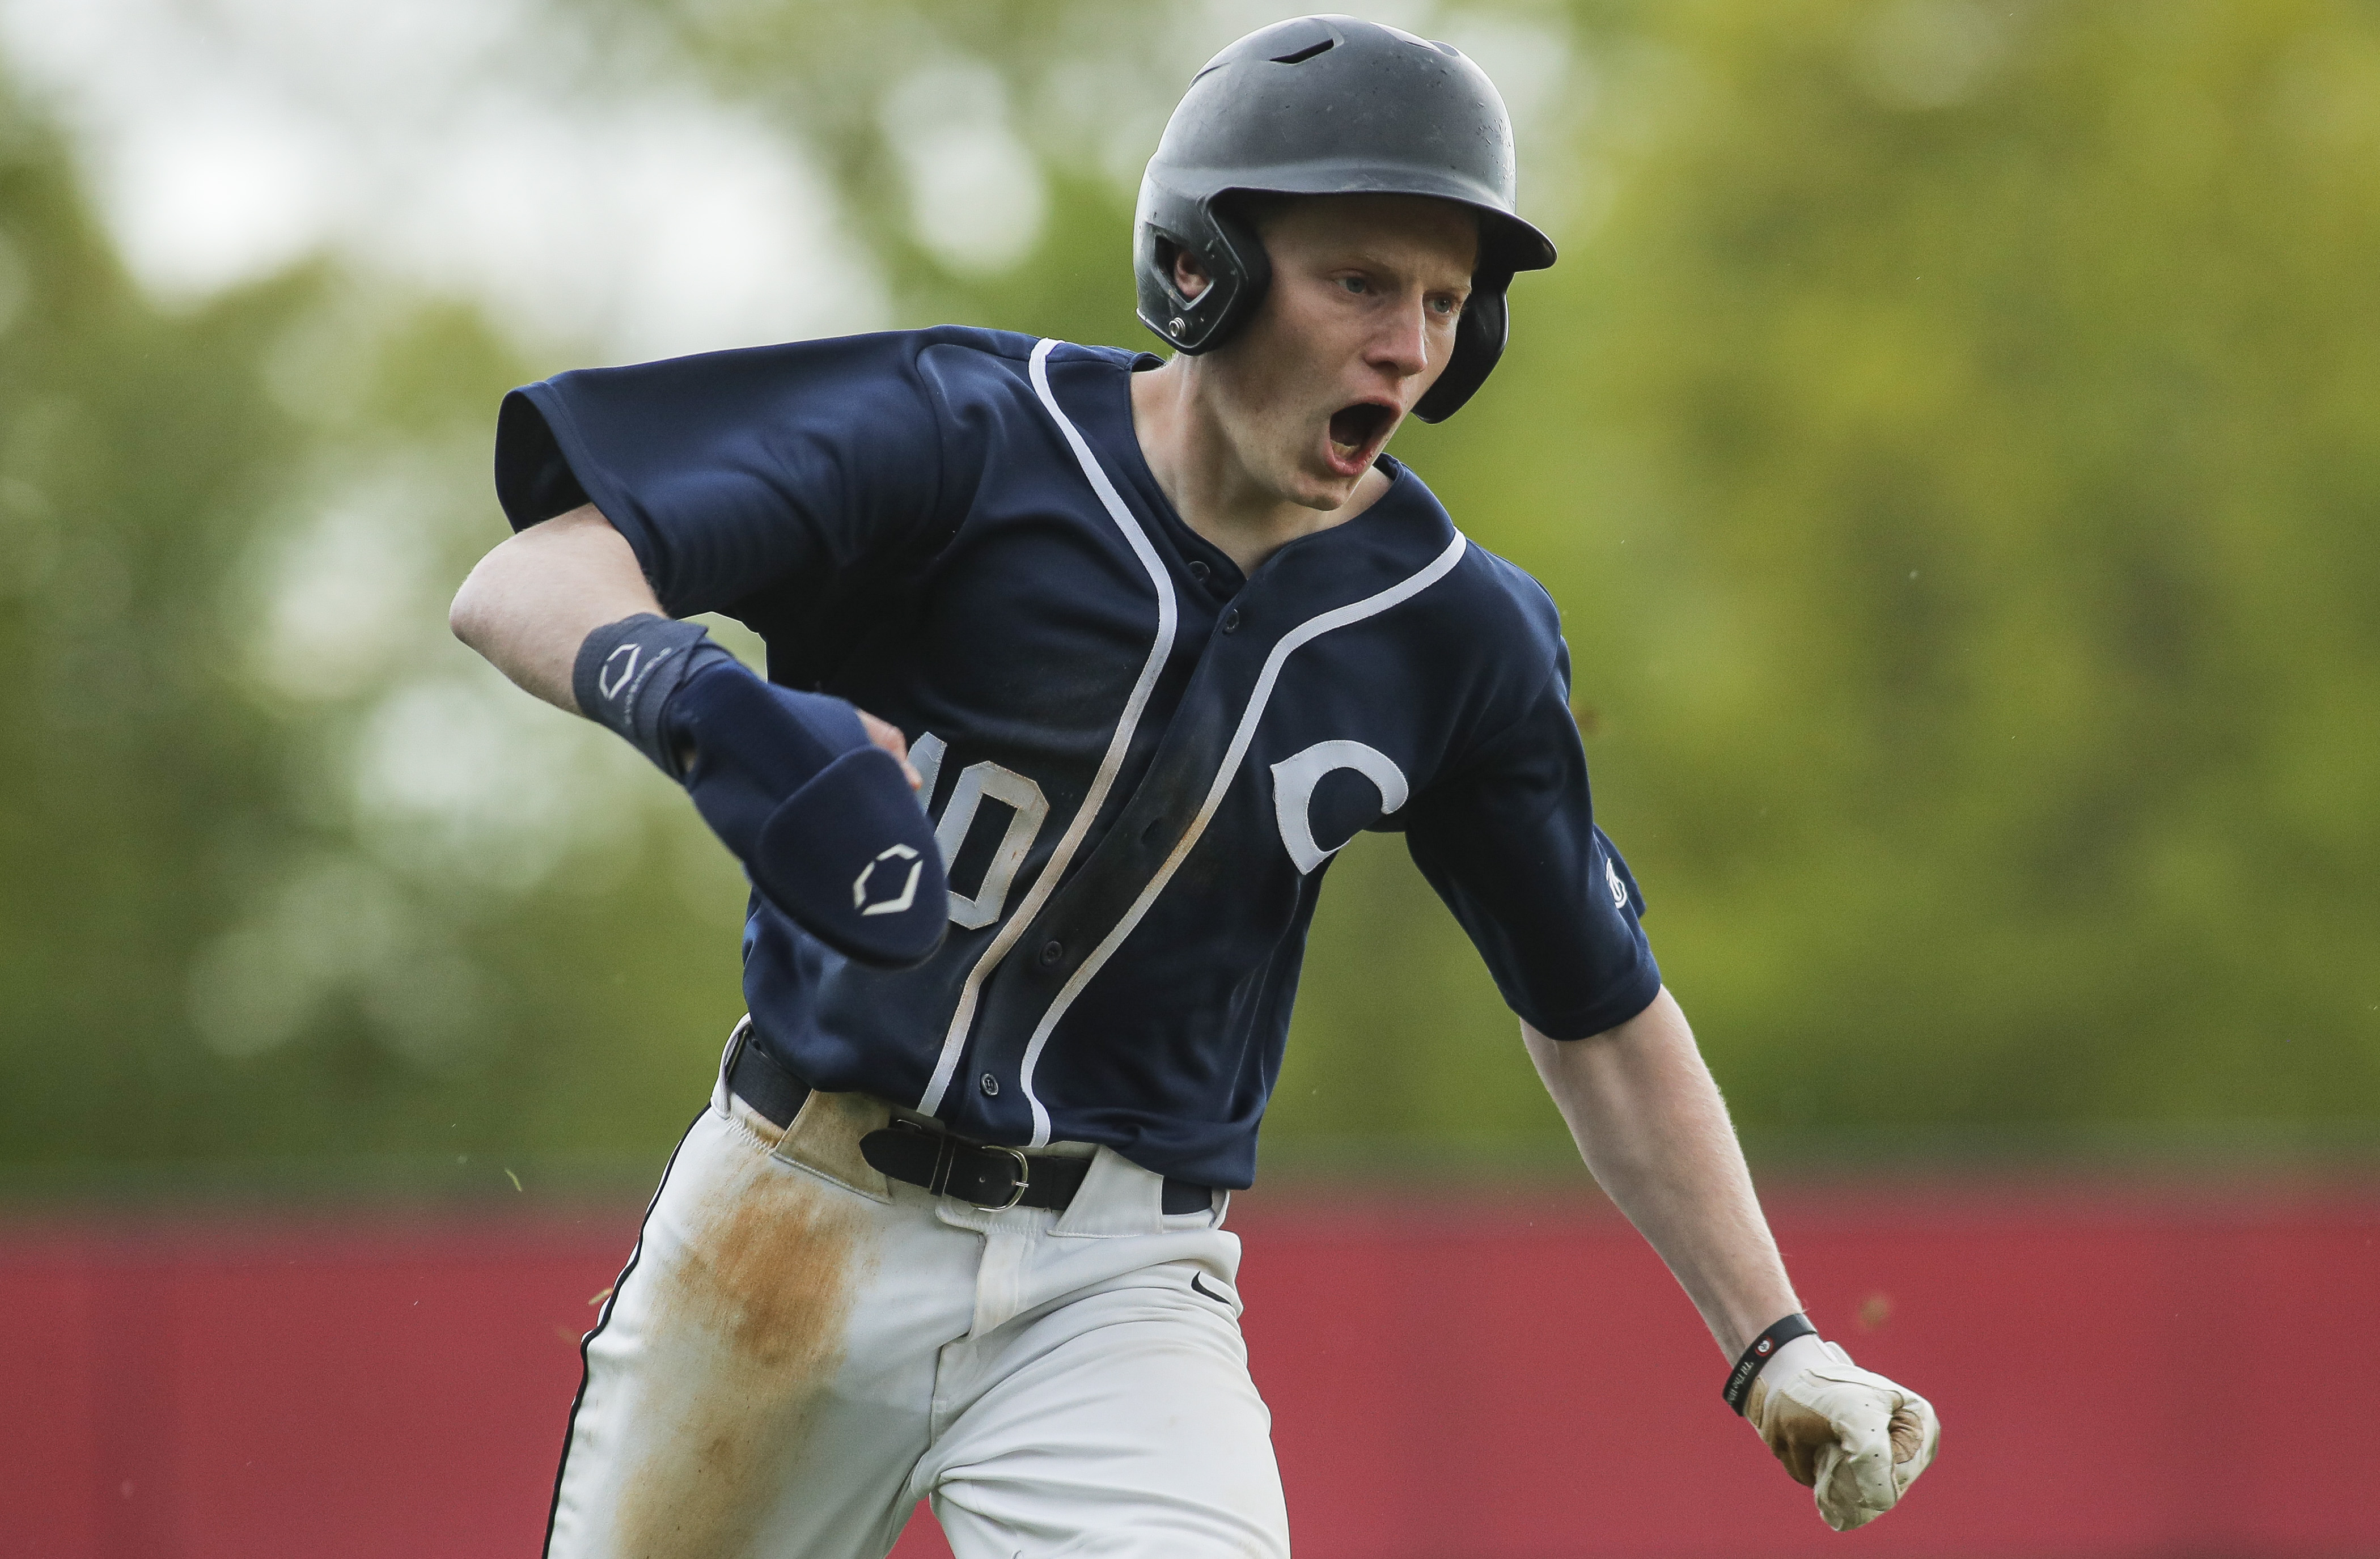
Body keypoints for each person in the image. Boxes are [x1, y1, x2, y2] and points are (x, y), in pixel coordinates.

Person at [450, 15, 1938, 1558]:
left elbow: (1598, 1010)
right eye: (1360, 279)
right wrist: (700, 701)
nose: (1412, 344)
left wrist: (1774, 1341)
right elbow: (529, 579)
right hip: (788, 1223)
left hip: (1119, 1284)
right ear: (1198, 269)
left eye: (1445, 302)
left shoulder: (1452, 631)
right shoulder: (965, 437)